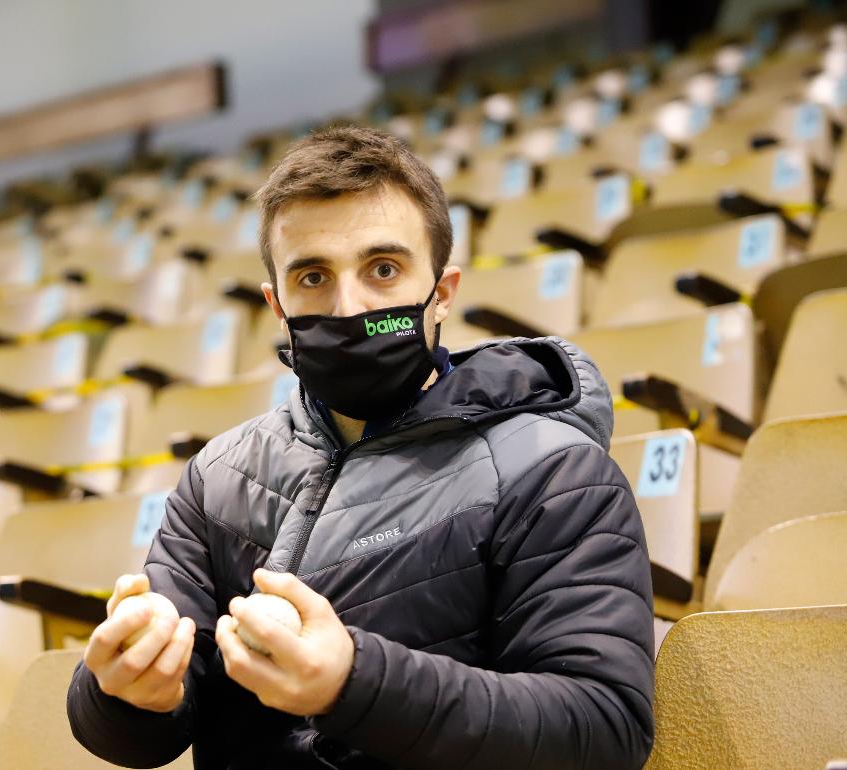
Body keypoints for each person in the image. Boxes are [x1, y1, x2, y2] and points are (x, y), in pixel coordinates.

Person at [67, 125, 655, 769]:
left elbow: (604, 728)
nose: (350, 308)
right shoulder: (216, 479)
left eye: (383, 269)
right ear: (277, 306)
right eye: (313, 277)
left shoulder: (554, 470)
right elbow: (142, 734)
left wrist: (355, 683)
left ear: (444, 294)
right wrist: (125, 692)